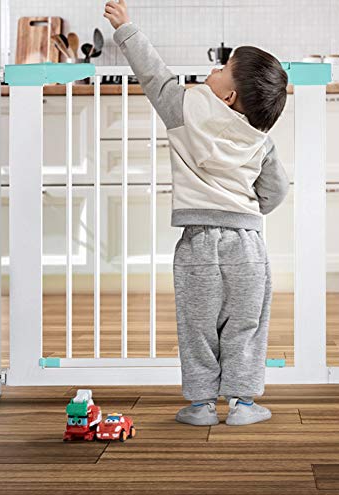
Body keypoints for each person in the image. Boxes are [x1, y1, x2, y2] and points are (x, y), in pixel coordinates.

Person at [104, 0, 290, 426]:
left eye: (223, 67)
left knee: (197, 327)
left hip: (196, 245)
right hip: (247, 247)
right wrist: (248, 210)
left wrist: (126, 28)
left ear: (227, 95)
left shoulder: (183, 109)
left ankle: (202, 405)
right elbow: (276, 190)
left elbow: (152, 73)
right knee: (245, 325)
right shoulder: (259, 140)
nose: (215, 66)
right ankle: (242, 404)